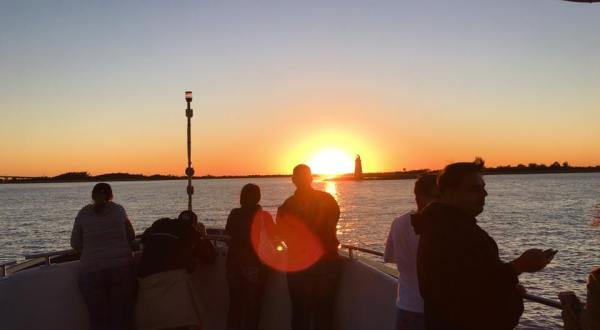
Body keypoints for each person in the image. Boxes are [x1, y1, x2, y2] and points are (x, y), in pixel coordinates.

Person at [412, 159, 555, 330]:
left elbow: (468, 281)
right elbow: (474, 292)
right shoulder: (455, 233)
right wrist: (519, 266)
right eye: (474, 189)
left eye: (483, 187)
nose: (484, 194)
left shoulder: (436, 225)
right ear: (449, 192)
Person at [276, 164, 341, 330]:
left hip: (299, 266)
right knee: (324, 311)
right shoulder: (328, 200)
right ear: (311, 178)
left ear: (293, 180)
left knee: (300, 312)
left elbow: (280, 234)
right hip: (327, 264)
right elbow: (333, 221)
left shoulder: (286, 207)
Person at [70, 182, 136, 330]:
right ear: (111, 195)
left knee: (97, 318)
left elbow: (75, 243)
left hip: (91, 270)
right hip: (121, 269)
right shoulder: (119, 210)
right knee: (122, 316)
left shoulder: (83, 213)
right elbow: (131, 236)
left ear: (92, 196)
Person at [135, 211, 214, 330]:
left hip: (145, 279)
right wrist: (203, 234)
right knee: (193, 309)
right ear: (193, 223)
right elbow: (210, 257)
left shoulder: (160, 223)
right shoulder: (190, 231)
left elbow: (144, 239)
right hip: (171, 281)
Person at [384, 174, 439, 330]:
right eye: (438, 196)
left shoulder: (399, 222)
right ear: (421, 197)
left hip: (405, 306)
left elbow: (390, 257)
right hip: (432, 312)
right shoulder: (442, 227)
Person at [225, 183, 276, 330]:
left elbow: (229, 233)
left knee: (235, 306)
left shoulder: (234, 214)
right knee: (252, 308)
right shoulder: (263, 216)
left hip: (233, 265)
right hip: (253, 265)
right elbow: (274, 237)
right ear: (258, 197)